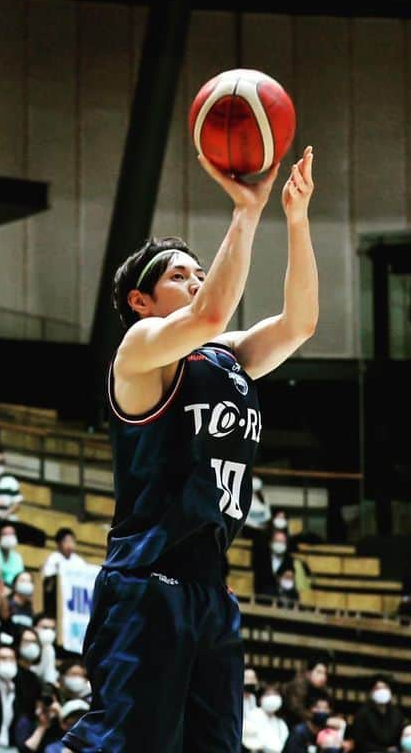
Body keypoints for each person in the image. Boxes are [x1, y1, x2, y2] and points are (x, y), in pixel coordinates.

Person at [64, 146, 318, 753]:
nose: (197, 282)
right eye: (179, 275)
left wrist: (298, 219)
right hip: (148, 582)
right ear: (140, 302)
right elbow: (209, 315)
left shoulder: (227, 356)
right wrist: (247, 210)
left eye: (199, 273)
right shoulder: (140, 349)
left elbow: (300, 323)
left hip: (211, 590)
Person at [348, 675, 406, 752]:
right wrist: (384, 750)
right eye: (378, 688)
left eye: (385, 688)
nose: (382, 691)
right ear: (372, 692)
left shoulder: (397, 715)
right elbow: (359, 742)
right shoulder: (362, 713)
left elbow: (400, 739)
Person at [281, 656, 329, 728]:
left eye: (325, 673)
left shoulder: (322, 689)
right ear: (308, 673)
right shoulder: (298, 685)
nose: (323, 677)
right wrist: (316, 718)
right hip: (292, 725)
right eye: (319, 672)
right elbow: (297, 710)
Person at [243, 682, 288, 753]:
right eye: (268, 694)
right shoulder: (253, 716)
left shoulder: (281, 722)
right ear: (260, 699)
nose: (272, 698)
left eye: (275, 694)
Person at [255, 528, 298, 597]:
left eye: (282, 542)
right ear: (271, 543)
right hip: (265, 594)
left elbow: (290, 581)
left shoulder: (289, 560)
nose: (279, 544)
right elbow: (261, 579)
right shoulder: (263, 558)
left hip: (284, 594)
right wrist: (278, 579)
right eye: (277, 541)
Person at [5, 572, 37, 637]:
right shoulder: (7, 603)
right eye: (23, 581)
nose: (26, 584)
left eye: (29, 581)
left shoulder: (29, 607)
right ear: (15, 584)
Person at [31, 615, 59, 686]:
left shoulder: (49, 649)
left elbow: (49, 677)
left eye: (52, 629)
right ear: (34, 628)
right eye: (45, 628)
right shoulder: (28, 646)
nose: (49, 632)